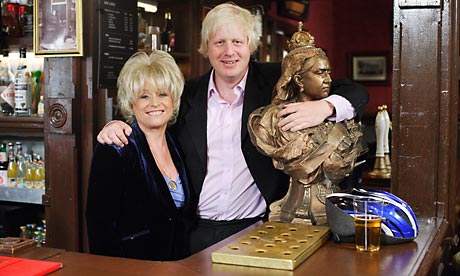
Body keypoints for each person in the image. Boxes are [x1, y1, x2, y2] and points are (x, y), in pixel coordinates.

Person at [97, 2, 369, 254]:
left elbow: (354, 90)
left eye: (237, 41)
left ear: (251, 45)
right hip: (193, 233)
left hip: (259, 230)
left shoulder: (278, 82)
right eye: (219, 42)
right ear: (206, 47)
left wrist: (324, 108)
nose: (229, 51)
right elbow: (152, 115)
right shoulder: (187, 94)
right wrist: (117, 125)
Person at [248, 23, 363, 226]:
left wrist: (327, 108)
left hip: (331, 209)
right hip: (291, 210)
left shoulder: (336, 114)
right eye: (320, 73)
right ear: (299, 80)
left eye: (328, 72)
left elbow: (358, 92)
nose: (328, 79)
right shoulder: (270, 121)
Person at [86, 51, 195, 261]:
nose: (155, 103)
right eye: (144, 96)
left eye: (162, 94)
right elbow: (99, 230)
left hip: (176, 266)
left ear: (173, 99)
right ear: (130, 103)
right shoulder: (115, 148)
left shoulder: (177, 143)